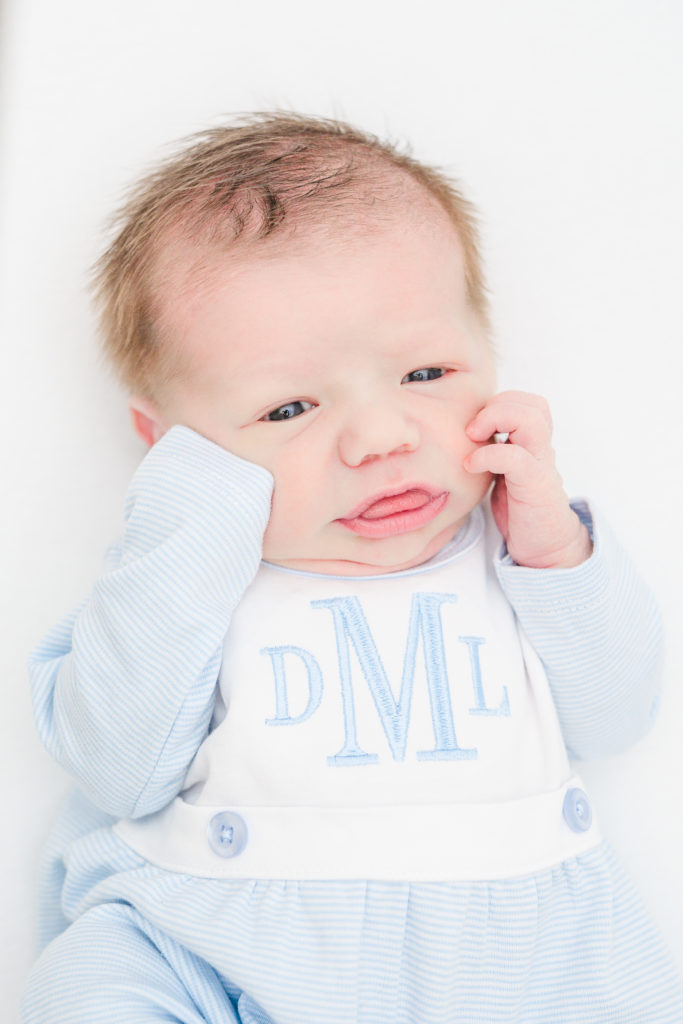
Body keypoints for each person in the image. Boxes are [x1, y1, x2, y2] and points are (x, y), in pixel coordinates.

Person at [22, 111, 682, 1024]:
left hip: (517, 955)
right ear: (168, 446)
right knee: (92, 988)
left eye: (425, 374)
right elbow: (115, 768)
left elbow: (618, 714)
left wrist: (555, 552)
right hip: (206, 932)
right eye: (288, 408)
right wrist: (188, 523)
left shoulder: (518, 551)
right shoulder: (184, 579)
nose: (381, 438)